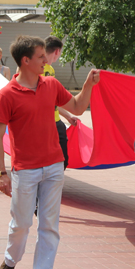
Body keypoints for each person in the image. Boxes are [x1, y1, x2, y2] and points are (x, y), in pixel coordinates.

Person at [0, 35, 100, 269]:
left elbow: (76, 106)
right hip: (25, 170)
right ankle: (10, 259)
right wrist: (1, 173)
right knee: (22, 224)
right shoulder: (7, 94)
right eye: (41, 57)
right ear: (25, 60)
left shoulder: (51, 84)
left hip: (54, 166)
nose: (46, 60)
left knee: (49, 225)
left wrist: (87, 86)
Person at [42, 36, 79, 169]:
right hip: (45, 123)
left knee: (60, 160)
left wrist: (68, 116)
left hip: (54, 121)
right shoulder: (41, 69)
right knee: (57, 161)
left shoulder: (50, 70)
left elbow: (54, 100)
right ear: (57, 52)